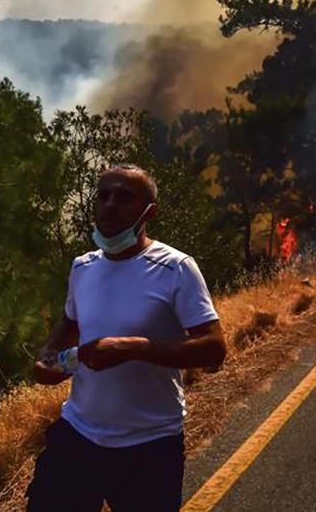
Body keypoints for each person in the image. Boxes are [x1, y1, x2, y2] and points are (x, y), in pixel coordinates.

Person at [26, 164, 227, 512]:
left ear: (149, 212)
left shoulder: (176, 268)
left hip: (150, 445)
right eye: (103, 195)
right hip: (79, 435)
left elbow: (214, 349)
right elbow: (70, 322)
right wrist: (50, 354)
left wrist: (135, 348)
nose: (110, 204)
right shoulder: (82, 266)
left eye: (124, 196)